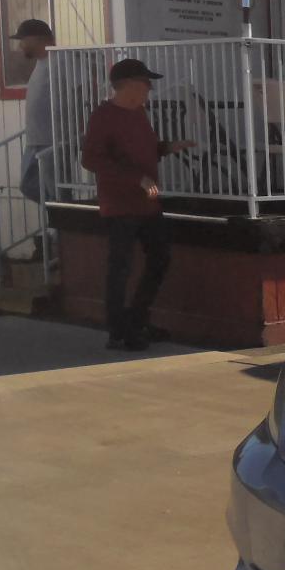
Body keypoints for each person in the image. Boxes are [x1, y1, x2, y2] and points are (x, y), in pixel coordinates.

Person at [79, 58, 196, 351]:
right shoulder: (103, 116)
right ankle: (119, 331)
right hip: (120, 206)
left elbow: (146, 151)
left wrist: (169, 147)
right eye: (146, 83)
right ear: (129, 85)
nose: (150, 89)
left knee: (160, 258)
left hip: (147, 204)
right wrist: (136, 179)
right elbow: (91, 159)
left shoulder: (140, 113)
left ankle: (137, 319)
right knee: (120, 268)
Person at [11, 19, 56, 207]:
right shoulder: (41, 63)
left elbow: (82, 89)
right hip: (36, 138)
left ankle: (62, 223)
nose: (20, 44)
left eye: (23, 39)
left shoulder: (59, 60)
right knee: (29, 185)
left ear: (38, 39)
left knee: (55, 189)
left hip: (51, 139)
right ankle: (58, 219)